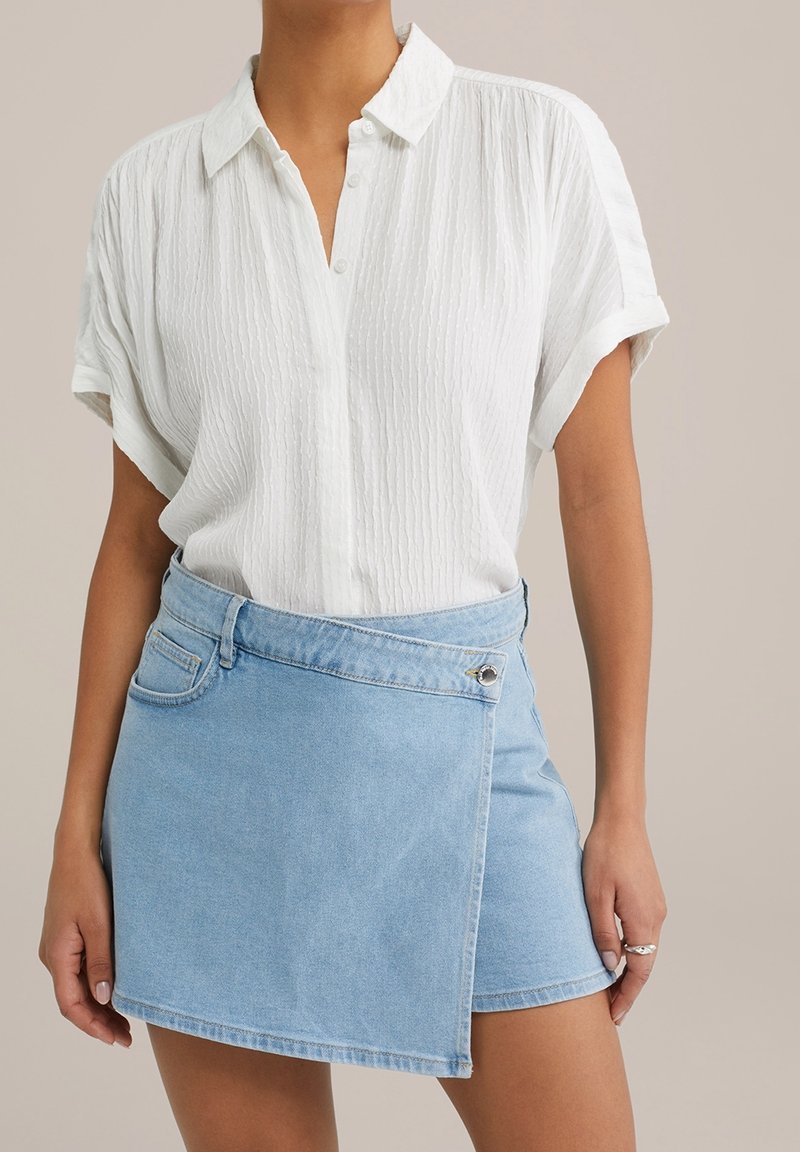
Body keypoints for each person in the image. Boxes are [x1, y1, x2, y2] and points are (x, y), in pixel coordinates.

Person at [39, 3, 670, 1149]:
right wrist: (73, 836)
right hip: (211, 774)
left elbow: (598, 497)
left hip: (464, 744)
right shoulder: (149, 195)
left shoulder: (535, 147)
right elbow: (135, 537)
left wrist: (621, 803)